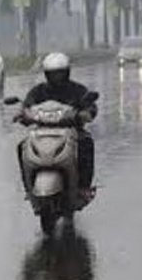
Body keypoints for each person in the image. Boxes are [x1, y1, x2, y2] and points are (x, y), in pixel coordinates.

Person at [16, 52, 98, 203]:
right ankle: (28, 187)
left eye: (60, 73)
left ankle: (84, 187)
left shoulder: (77, 90)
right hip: (42, 132)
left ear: (67, 72)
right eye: (53, 74)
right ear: (46, 74)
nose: (57, 77)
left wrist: (86, 113)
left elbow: (90, 105)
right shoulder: (39, 91)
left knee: (86, 143)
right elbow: (27, 105)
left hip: (72, 130)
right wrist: (22, 115)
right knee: (22, 146)